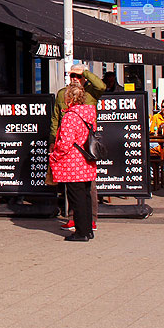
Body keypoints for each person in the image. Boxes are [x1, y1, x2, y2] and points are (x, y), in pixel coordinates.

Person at [51, 64, 104, 230]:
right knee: (73, 187)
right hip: (68, 144)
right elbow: (55, 118)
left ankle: (89, 220)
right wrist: (53, 139)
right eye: (72, 75)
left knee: (87, 188)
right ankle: (77, 219)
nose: (75, 78)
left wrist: (85, 72)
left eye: (78, 76)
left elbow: (101, 86)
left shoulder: (90, 92)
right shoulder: (62, 94)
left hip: (83, 145)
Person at [50, 84, 97, 242]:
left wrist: (55, 155)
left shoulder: (70, 116)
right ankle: (88, 230)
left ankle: (81, 232)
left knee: (76, 198)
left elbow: (65, 142)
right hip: (86, 160)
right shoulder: (88, 114)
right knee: (85, 195)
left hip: (72, 162)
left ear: (69, 98)